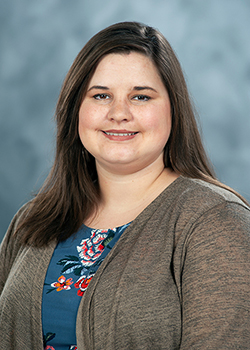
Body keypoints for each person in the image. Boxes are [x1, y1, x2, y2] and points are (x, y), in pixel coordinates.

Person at [0, 21, 249, 350]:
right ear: (76, 109)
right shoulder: (32, 220)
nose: (119, 113)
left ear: (173, 110)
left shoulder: (215, 222)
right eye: (101, 95)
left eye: (141, 97)